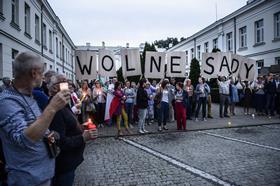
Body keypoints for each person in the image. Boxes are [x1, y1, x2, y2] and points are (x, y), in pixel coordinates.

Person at [0, 52, 70, 185]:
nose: (43, 77)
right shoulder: (7, 102)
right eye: (42, 72)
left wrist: (50, 134)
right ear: (34, 73)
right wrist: (52, 108)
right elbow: (24, 139)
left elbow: (36, 126)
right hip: (27, 180)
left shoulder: (28, 96)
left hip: (41, 177)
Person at [48, 74, 97, 186]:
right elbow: (60, 142)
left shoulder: (63, 104)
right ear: (55, 88)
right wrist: (82, 137)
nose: (70, 86)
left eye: (69, 83)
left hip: (70, 163)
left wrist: (82, 126)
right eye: (65, 83)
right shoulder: (55, 108)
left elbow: (68, 126)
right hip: (64, 165)